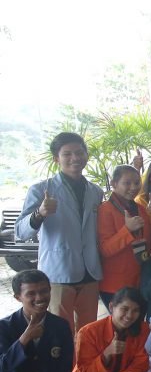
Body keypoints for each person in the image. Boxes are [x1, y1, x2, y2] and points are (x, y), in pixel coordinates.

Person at [16, 132, 104, 333]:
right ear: (57, 158)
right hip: (59, 273)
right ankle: (63, 366)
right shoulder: (41, 190)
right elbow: (20, 232)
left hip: (90, 272)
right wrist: (40, 213)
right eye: (67, 154)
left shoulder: (96, 192)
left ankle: (83, 366)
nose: (75, 158)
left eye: (79, 152)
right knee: (59, 333)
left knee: (88, 332)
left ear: (86, 155)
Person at [97, 165, 151, 305]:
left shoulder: (140, 208)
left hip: (140, 279)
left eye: (136, 183)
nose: (133, 187)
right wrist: (127, 230)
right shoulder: (105, 209)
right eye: (127, 183)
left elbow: (148, 242)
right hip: (115, 284)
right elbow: (105, 249)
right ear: (114, 183)